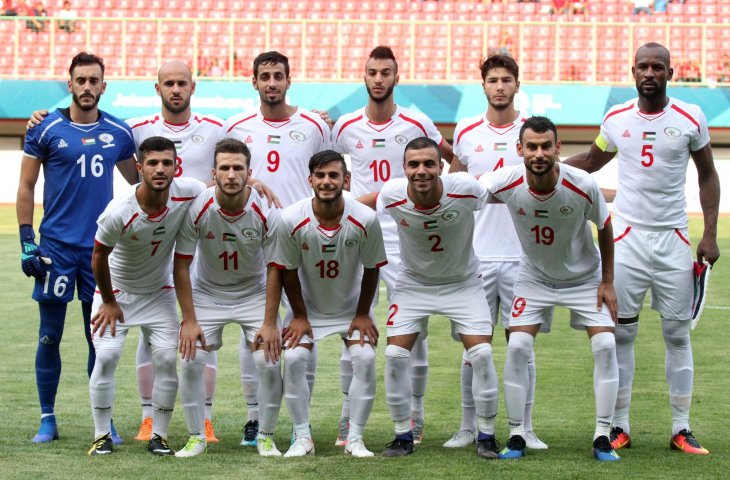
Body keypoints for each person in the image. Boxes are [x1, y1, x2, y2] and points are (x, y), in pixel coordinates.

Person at [566, 42, 720, 455]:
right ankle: (620, 426)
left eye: (657, 67)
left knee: (677, 333)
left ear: (670, 73)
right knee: (622, 336)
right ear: (632, 72)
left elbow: (707, 175)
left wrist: (709, 233)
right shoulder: (616, 119)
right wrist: (549, 165)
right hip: (628, 240)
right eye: (642, 67)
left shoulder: (691, 117)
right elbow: (594, 162)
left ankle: (681, 428)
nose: (649, 73)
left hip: (673, 239)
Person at [331, 45, 454, 445]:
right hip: (359, 234)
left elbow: (452, 161)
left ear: (396, 77)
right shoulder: (346, 125)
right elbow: (329, 167)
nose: (379, 78)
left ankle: (415, 416)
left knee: (411, 327)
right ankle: (349, 418)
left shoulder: (417, 121)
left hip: (406, 236)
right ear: (363, 77)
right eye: (372, 72)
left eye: (386, 72)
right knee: (352, 325)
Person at [479, 116, 620, 462]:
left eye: (546, 146)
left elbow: (604, 227)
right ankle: (516, 435)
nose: (539, 153)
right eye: (531, 147)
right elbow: (464, 195)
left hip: (584, 278)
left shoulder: (583, 184)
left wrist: (607, 282)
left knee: (605, 344)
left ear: (558, 148)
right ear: (520, 150)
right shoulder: (504, 182)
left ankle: (603, 434)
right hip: (535, 278)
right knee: (518, 346)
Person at [17, 51, 137, 445]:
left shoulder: (119, 133)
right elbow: (27, 187)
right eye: (80, 80)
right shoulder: (44, 128)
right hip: (55, 250)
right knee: (49, 335)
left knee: (98, 340)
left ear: (104, 85)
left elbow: (140, 186)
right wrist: (26, 240)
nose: (87, 87)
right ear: (69, 84)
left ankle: (104, 422)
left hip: (100, 253)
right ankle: (47, 419)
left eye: (93, 81)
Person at [362, 137, 499, 459]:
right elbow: (356, 204)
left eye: (428, 164)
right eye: (413, 164)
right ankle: (402, 436)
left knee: (481, 354)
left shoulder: (465, 188)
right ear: (404, 168)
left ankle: (487, 435)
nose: (421, 171)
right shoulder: (392, 194)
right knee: (395, 355)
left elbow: (506, 195)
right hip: (413, 285)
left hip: (463, 283)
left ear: (441, 166)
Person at [225, 50, 331, 444]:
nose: (271, 82)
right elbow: (225, 171)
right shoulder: (235, 125)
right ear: (254, 82)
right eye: (264, 76)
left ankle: (302, 420)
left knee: (307, 327)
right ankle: (255, 418)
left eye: (278, 76)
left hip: (305, 237)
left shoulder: (314, 125)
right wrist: (249, 183)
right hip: (255, 240)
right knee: (254, 330)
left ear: (289, 81)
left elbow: (331, 171)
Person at [446, 54, 546, 450]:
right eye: (493, 80)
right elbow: (453, 189)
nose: (500, 86)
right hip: (478, 256)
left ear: (517, 85)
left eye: (507, 79)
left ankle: (525, 427)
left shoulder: (533, 132)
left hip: (526, 257)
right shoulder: (467, 130)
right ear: (483, 85)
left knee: (522, 346)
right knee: (474, 346)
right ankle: (468, 426)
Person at [126, 61, 227, 444]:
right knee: (150, 333)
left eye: (181, 83)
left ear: (193, 86)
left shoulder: (216, 128)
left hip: (199, 244)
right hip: (155, 245)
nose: (175, 89)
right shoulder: (137, 129)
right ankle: (148, 417)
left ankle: (205, 419)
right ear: (157, 88)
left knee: (202, 328)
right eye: (168, 83)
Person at [87, 136, 205, 456]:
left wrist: (253, 181)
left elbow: (220, 188)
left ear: (176, 166)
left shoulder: (189, 192)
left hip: (158, 292)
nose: (160, 169)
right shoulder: (119, 210)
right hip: (117, 295)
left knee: (167, 359)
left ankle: (159, 435)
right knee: (108, 357)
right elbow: (98, 256)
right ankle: (101, 435)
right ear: (139, 168)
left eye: (167, 162)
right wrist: (109, 301)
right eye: (152, 162)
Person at [266, 150, 386, 457]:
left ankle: (354, 438)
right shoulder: (290, 218)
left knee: (367, 359)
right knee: (293, 360)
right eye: (320, 175)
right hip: (307, 311)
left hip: (351, 312)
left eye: (334, 175)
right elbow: (287, 270)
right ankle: (302, 438)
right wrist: (299, 315)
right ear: (310, 180)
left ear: (346, 180)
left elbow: (372, 268)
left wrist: (362, 314)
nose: (327, 181)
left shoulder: (366, 218)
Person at [173, 139, 284, 457]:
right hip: (208, 293)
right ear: (214, 172)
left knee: (269, 362)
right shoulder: (198, 206)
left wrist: (269, 322)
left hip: (254, 293)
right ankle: (196, 437)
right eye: (225, 168)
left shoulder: (265, 210)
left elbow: (276, 267)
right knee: (190, 361)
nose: (232, 174)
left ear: (250, 173)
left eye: (238, 168)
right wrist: (190, 320)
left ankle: (265, 436)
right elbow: (181, 265)